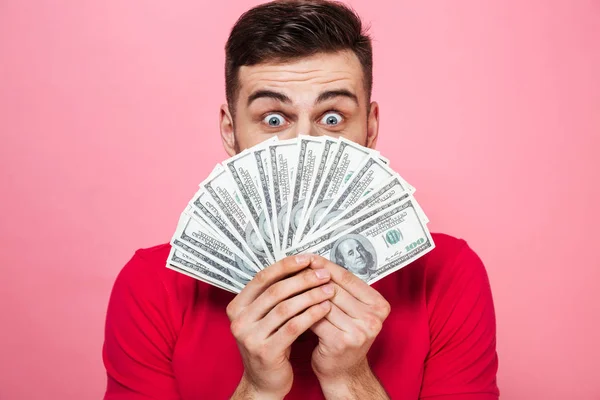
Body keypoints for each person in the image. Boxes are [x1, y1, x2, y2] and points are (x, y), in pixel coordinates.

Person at [102, 1, 499, 399]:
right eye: (274, 119)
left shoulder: (447, 277)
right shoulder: (153, 287)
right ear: (229, 131)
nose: (305, 145)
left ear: (371, 128)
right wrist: (257, 390)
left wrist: (350, 378)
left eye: (332, 118)